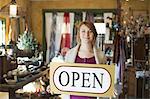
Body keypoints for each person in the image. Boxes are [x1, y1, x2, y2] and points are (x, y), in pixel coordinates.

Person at [64, 21, 106, 99]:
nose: (86, 35)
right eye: (83, 31)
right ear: (79, 34)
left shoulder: (101, 56)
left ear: (94, 34)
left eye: (90, 32)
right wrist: (53, 85)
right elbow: (64, 77)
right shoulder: (70, 54)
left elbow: (104, 79)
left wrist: (110, 87)